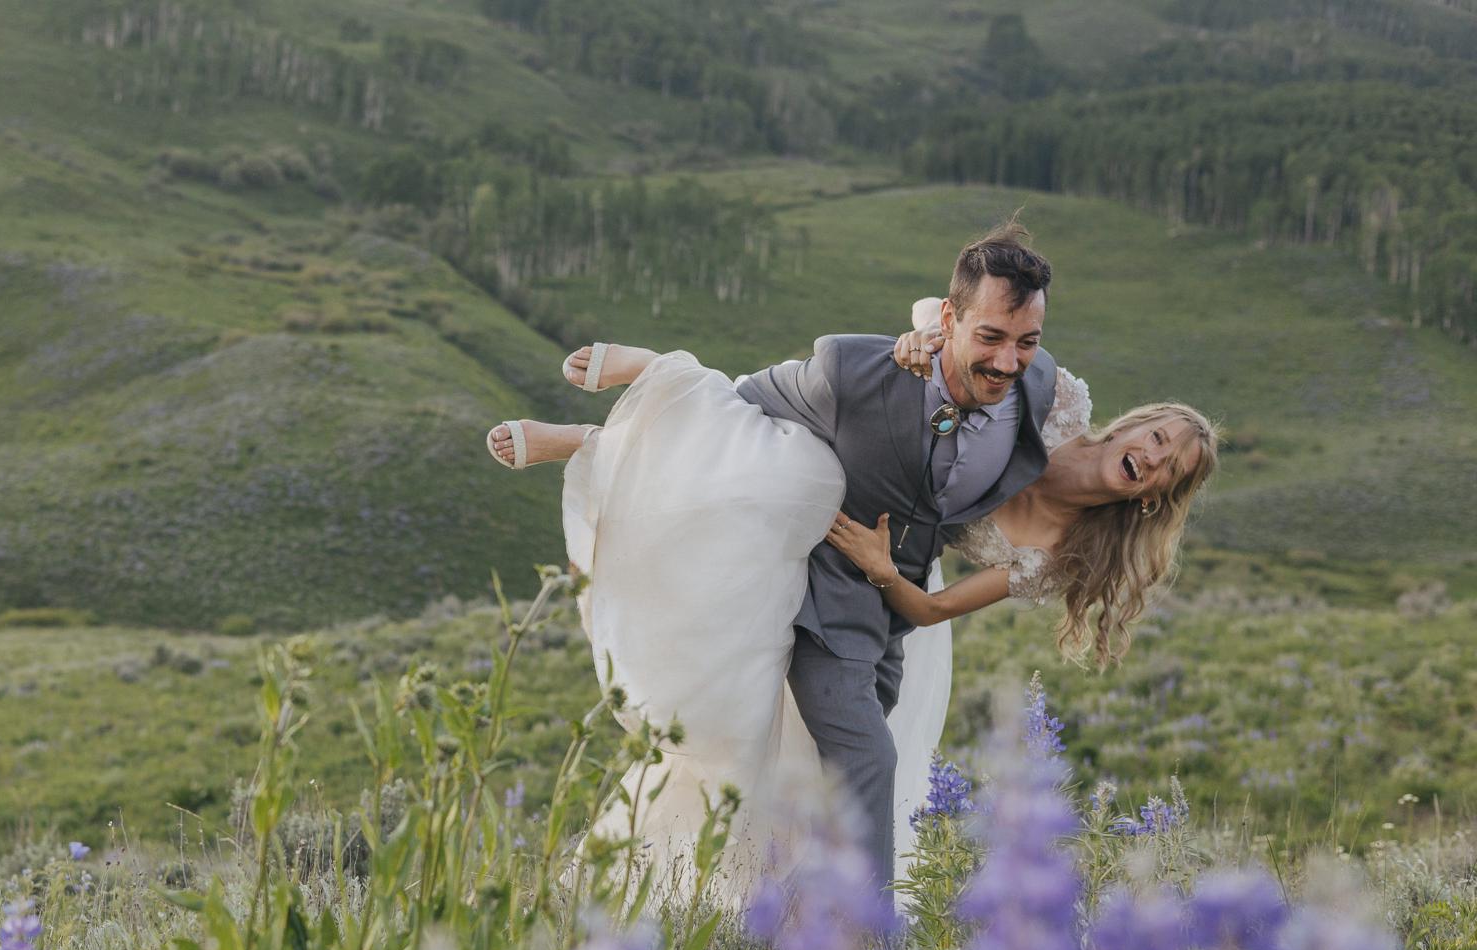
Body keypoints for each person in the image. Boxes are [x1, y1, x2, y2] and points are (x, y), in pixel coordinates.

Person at [482, 224, 1217, 895]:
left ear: (1160, 495)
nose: (1151, 459)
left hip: (897, 571)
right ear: (1140, 422)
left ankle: (791, 903)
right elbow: (953, 315)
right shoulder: (1054, 394)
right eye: (1157, 438)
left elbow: (932, 608)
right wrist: (919, 337)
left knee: (799, 742)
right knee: (777, 475)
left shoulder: (1062, 552)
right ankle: (611, 428)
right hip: (866, 462)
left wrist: (880, 566)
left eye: (1168, 469)